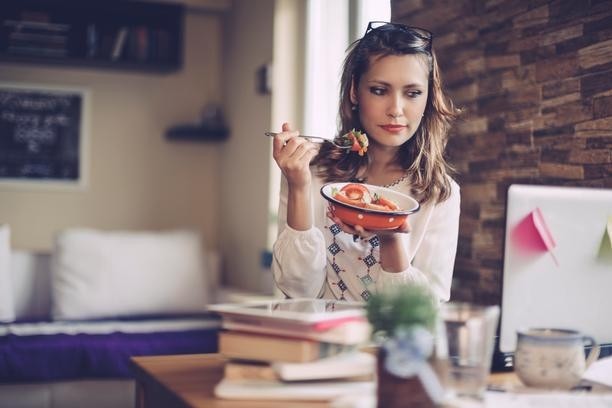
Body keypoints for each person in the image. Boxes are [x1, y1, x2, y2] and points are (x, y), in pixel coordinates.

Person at [271, 21, 461, 303]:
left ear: (427, 100)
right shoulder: (310, 170)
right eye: (379, 90)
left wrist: (391, 236)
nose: (396, 110)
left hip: (388, 347)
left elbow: (422, 312)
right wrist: (298, 187)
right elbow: (298, 291)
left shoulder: (439, 192)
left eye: (412, 93)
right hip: (317, 343)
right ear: (354, 93)